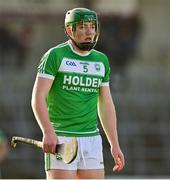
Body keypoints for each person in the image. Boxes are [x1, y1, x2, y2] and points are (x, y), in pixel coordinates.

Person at [31, 8, 125, 179]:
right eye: (82, 27)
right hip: (62, 138)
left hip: (92, 139)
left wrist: (114, 144)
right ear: (69, 30)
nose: (89, 32)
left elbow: (105, 103)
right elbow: (38, 97)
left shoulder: (101, 60)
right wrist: (48, 131)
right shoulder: (55, 55)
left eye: (92, 26)